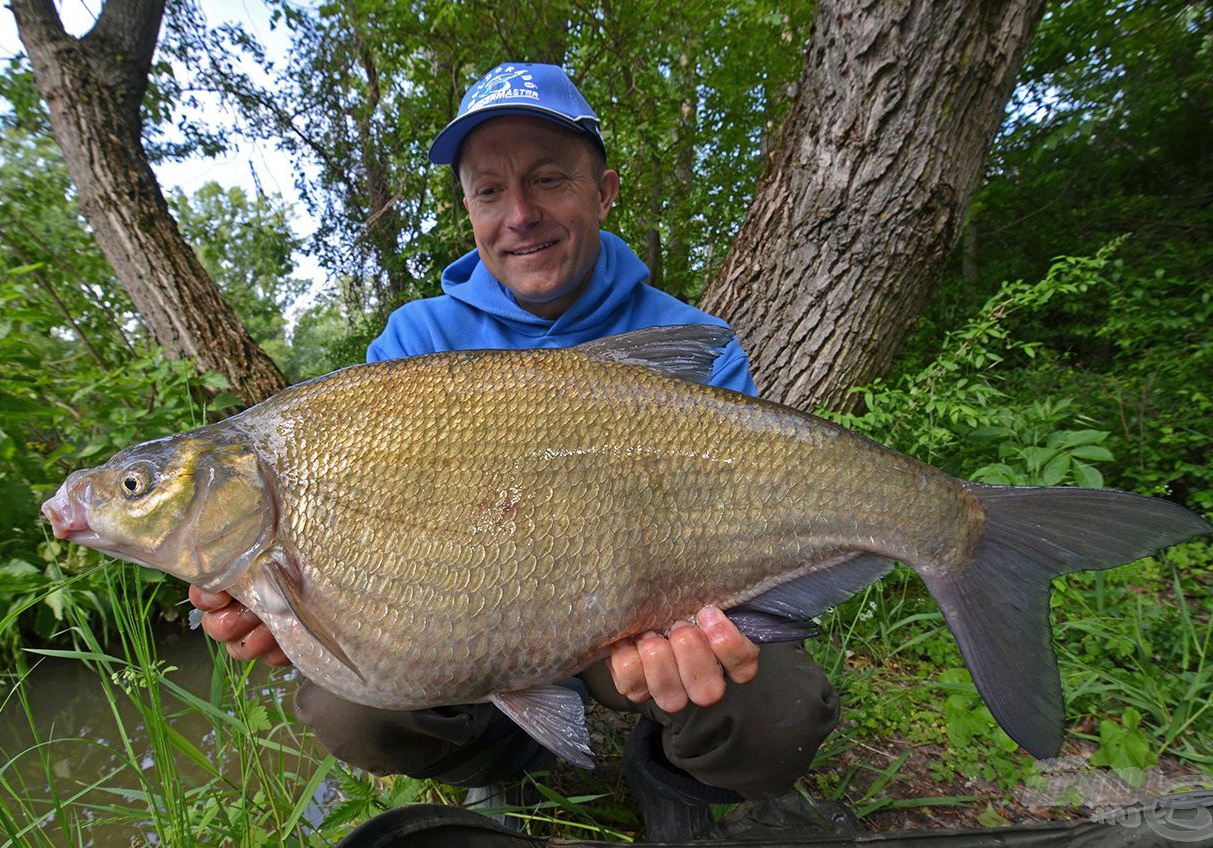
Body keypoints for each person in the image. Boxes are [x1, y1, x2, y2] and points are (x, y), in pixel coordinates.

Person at [190, 62, 839, 840]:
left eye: (548, 180)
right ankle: (499, 762)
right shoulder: (413, 344)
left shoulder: (693, 344)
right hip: (468, 625)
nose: (519, 214)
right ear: (468, 208)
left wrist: (700, 619)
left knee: (776, 706)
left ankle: (675, 774)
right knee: (343, 703)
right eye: (490, 191)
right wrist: (303, 610)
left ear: (604, 192)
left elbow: (753, 512)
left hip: (638, 615)